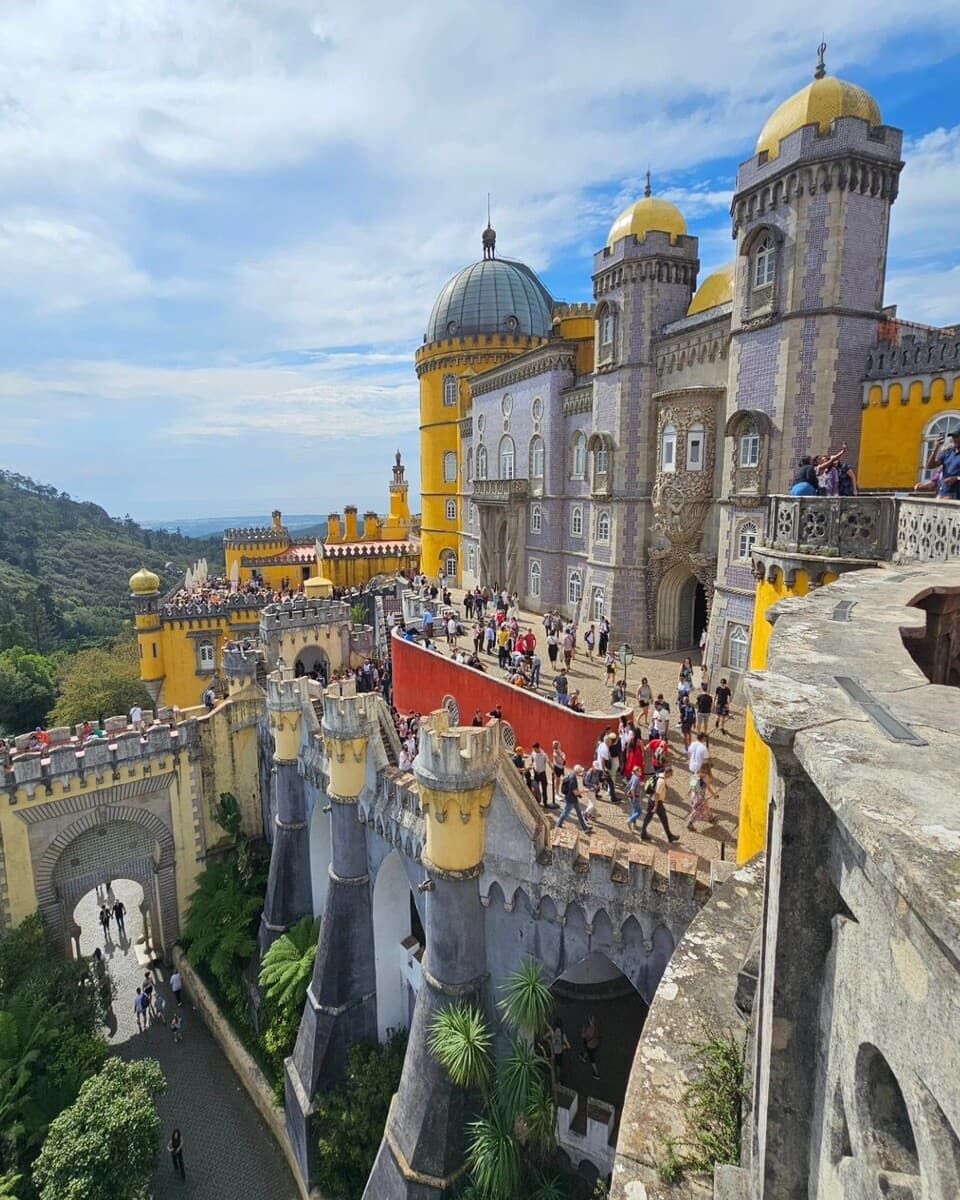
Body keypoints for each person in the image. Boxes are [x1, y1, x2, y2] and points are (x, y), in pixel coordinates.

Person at [639, 767, 681, 843]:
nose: (671, 776)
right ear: (667, 773)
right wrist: (656, 806)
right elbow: (657, 794)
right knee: (663, 818)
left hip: (651, 800)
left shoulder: (660, 774)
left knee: (648, 817)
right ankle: (670, 836)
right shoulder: (661, 781)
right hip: (656, 802)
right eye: (670, 774)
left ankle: (643, 833)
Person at [556, 766, 592, 833]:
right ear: (577, 772)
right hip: (571, 799)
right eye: (580, 771)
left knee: (579, 813)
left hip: (572, 798)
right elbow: (575, 792)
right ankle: (557, 826)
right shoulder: (573, 779)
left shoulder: (570, 774)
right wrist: (584, 790)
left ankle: (585, 827)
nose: (581, 773)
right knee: (565, 813)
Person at [529, 743, 550, 808]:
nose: (534, 750)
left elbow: (549, 763)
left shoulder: (544, 755)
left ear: (538, 748)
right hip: (536, 773)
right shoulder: (533, 753)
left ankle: (545, 803)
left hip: (542, 774)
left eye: (535, 749)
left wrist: (554, 772)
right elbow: (532, 760)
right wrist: (531, 765)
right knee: (536, 788)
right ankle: (537, 801)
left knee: (544, 789)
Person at [579, 1015, 601, 1079]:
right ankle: (584, 1056)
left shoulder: (589, 1029)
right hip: (595, 1044)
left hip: (590, 1045)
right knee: (588, 1051)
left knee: (592, 1059)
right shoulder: (596, 1028)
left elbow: (583, 1036)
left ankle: (596, 1073)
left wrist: (583, 1030)